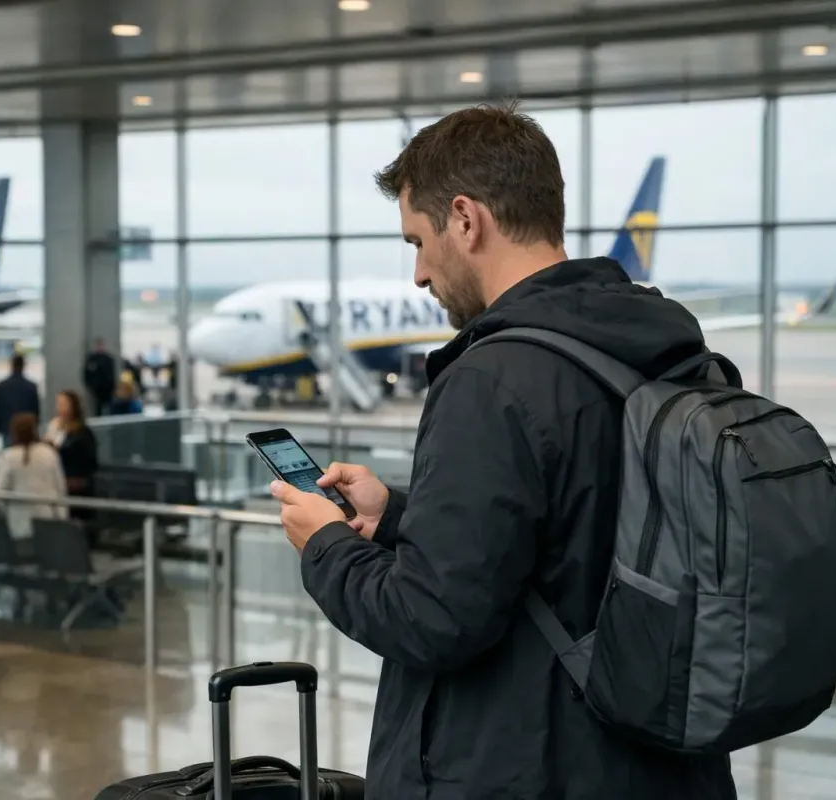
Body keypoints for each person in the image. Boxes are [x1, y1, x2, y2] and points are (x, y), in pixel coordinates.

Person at [268, 104, 737, 800]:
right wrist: (398, 517)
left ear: (466, 218)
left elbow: (430, 621)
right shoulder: (673, 350)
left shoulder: (492, 378)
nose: (420, 274)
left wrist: (326, 545)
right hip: (661, 761)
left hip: (531, 764)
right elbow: (581, 535)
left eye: (418, 242)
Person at [0, 412, 67, 556]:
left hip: (19, 524)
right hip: (48, 522)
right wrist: (61, 518)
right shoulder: (49, 454)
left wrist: (8, 511)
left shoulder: (8, 457)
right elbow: (60, 489)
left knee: (24, 564)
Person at [44, 390, 98, 525]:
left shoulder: (83, 433)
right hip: (59, 485)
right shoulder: (55, 429)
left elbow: (89, 460)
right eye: (58, 404)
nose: (60, 408)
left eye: (64, 404)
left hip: (77, 487)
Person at [0, 354, 40, 447]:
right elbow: (36, 411)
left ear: (11, 365)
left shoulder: (2, 386)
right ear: (24, 365)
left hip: (7, 429)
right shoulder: (31, 387)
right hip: (27, 432)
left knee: (8, 458)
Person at [82, 338, 116, 417]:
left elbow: (112, 374)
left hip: (108, 388)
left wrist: (112, 386)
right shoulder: (91, 359)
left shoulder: (108, 359)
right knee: (97, 408)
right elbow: (86, 373)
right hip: (96, 389)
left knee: (109, 408)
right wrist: (90, 385)